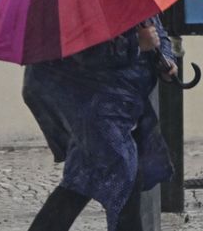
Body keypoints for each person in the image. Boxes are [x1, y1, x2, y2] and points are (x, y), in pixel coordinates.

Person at [23, 16, 177, 231]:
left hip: (126, 107)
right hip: (97, 109)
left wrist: (167, 61)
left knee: (80, 183)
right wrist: (137, 45)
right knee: (125, 178)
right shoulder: (80, 7)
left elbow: (157, 32)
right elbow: (84, 54)